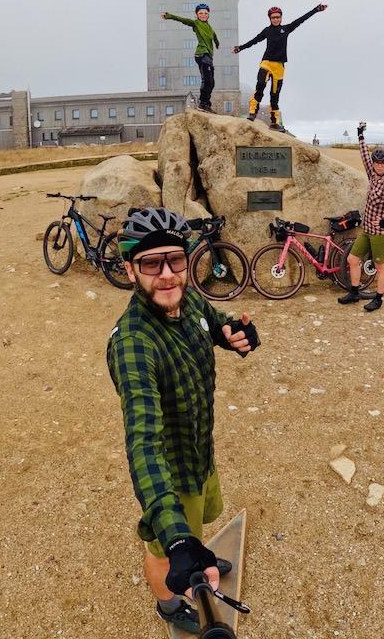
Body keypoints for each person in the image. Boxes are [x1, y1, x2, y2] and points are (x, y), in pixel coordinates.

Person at [106, 207, 261, 634]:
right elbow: (144, 443)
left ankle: (197, 547)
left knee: (201, 519)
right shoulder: (134, 344)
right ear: (130, 269)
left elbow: (213, 323)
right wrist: (177, 540)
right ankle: (169, 604)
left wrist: (233, 334)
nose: (167, 275)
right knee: (162, 550)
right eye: (151, 264)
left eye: (175, 260)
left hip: (199, 450)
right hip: (168, 477)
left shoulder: (187, 299)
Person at [338, 121, 384, 311]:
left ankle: (379, 299)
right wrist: (360, 135)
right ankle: (354, 292)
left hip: (380, 235)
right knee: (352, 259)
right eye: (377, 163)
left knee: (380, 267)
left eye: (382, 163)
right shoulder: (372, 175)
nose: (379, 166)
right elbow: (364, 156)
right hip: (367, 231)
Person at [233, 3, 327, 132]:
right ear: (270, 18)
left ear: (281, 17)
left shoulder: (286, 29)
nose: (276, 19)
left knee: (275, 95)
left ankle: (274, 123)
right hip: (266, 63)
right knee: (260, 85)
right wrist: (240, 48)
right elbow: (255, 40)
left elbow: (301, 20)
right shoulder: (267, 31)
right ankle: (252, 113)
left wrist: (316, 10)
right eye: (273, 17)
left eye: (278, 17)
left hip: (279, 67)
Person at [163, 4, 220, 112]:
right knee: (207, 80)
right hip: (201, 54)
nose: (203, 15)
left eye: (205, 13)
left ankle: (206, 104)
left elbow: (214, 36)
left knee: (212, 82)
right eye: (200, 13)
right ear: (196, 15)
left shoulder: (209, 27)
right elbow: (183, 20)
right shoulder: (196, 23)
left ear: (208, 15)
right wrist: (169, 16)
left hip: (208, 56)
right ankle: (202, 103)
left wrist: (217, 43)